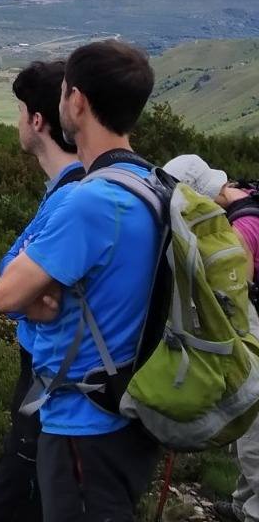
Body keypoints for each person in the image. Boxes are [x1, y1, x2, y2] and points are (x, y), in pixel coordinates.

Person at [0, 40, 162, 522]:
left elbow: (6, 294)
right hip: (127, 408)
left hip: (84, 423)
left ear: (77, 102)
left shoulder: (89, 203)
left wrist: (34, 296)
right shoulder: (149, 182)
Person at [0, 61, 84, 522]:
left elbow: (14, 291)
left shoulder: (71, 199)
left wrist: (20, 295)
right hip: (53, 374)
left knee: (13, 502)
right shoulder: (69, 187)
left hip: (51, 378)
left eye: (21, 110)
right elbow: (23, 292)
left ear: (37, 120)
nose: (19, 120)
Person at [163, 156, 259, 522]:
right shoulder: (247, 201)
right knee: (247, 430)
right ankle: (243, 505)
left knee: (255, 440)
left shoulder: (245, 226)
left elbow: (232, 286)